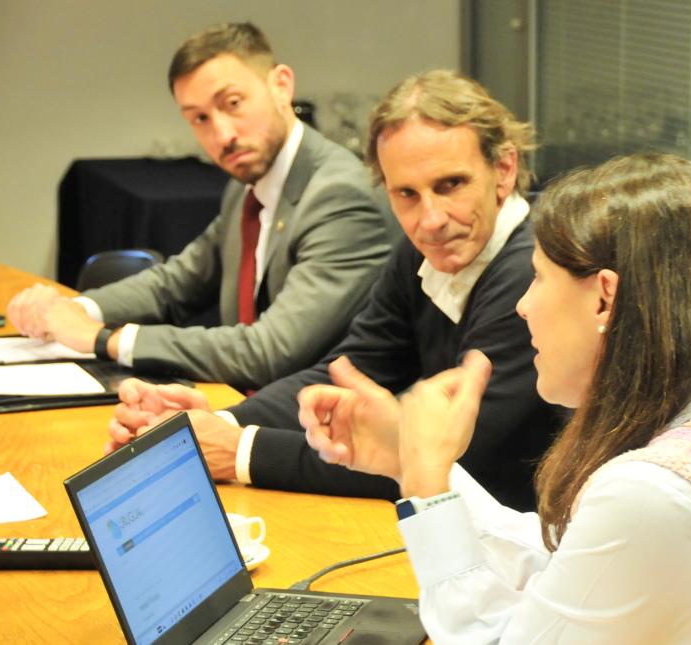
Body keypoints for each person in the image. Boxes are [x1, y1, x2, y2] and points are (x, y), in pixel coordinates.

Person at [304, 153, 691, 643]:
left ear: (603, 299)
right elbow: (576, 571)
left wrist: (427, 491)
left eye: (538, 279)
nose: (523, 306)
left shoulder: (659, 492)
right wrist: (410, 458)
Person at [107, 70, 563, 511]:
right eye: (406, 194)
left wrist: (241, 450)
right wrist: (214, 425)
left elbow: (453, 458)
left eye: (451, 185)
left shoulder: (532, 275)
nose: (430, 219)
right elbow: (345, 371)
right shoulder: (422, 251)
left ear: (504, 169)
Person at [7, 22, 396, 390]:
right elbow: (176, 284)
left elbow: (270, 351)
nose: (222, 135)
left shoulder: (340, 195)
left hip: (321, 430)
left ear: (281, 86)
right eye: (200, 118)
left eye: (233, 103)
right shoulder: (248, 186)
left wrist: (106, 339)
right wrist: (72, 309)